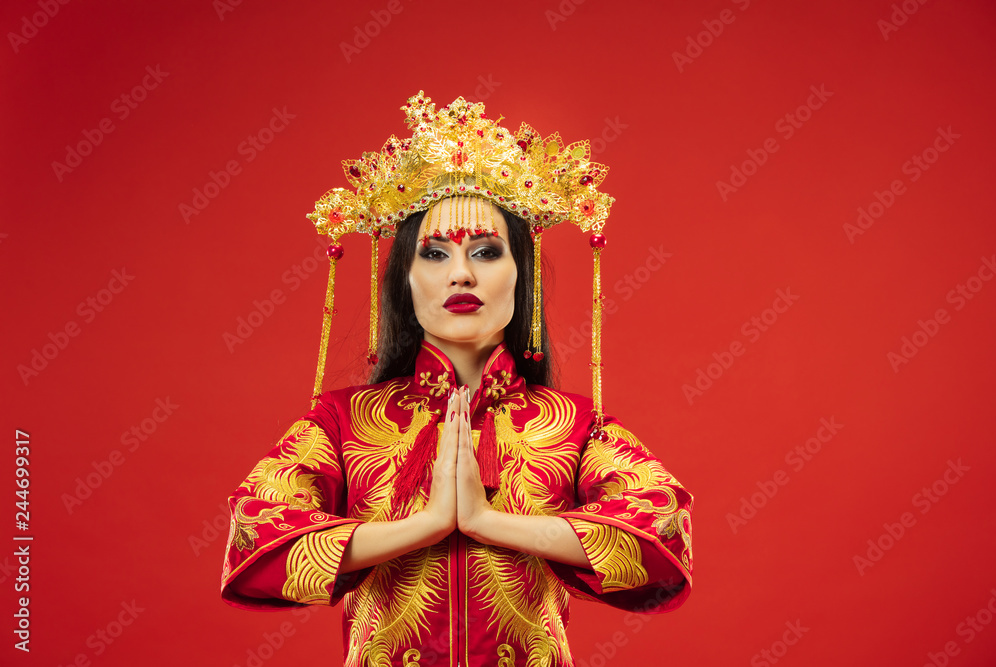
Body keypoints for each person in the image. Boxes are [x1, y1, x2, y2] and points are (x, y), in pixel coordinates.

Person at [220, 91, 693, 667]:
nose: (462, 273)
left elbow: (662, 530)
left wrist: (488, 522)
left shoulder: (572, 426)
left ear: (524, 275)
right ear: (405, 278)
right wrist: (425, 525)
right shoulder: (344, 422)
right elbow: (256, 538)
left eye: (488, 252)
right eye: (435, 254)